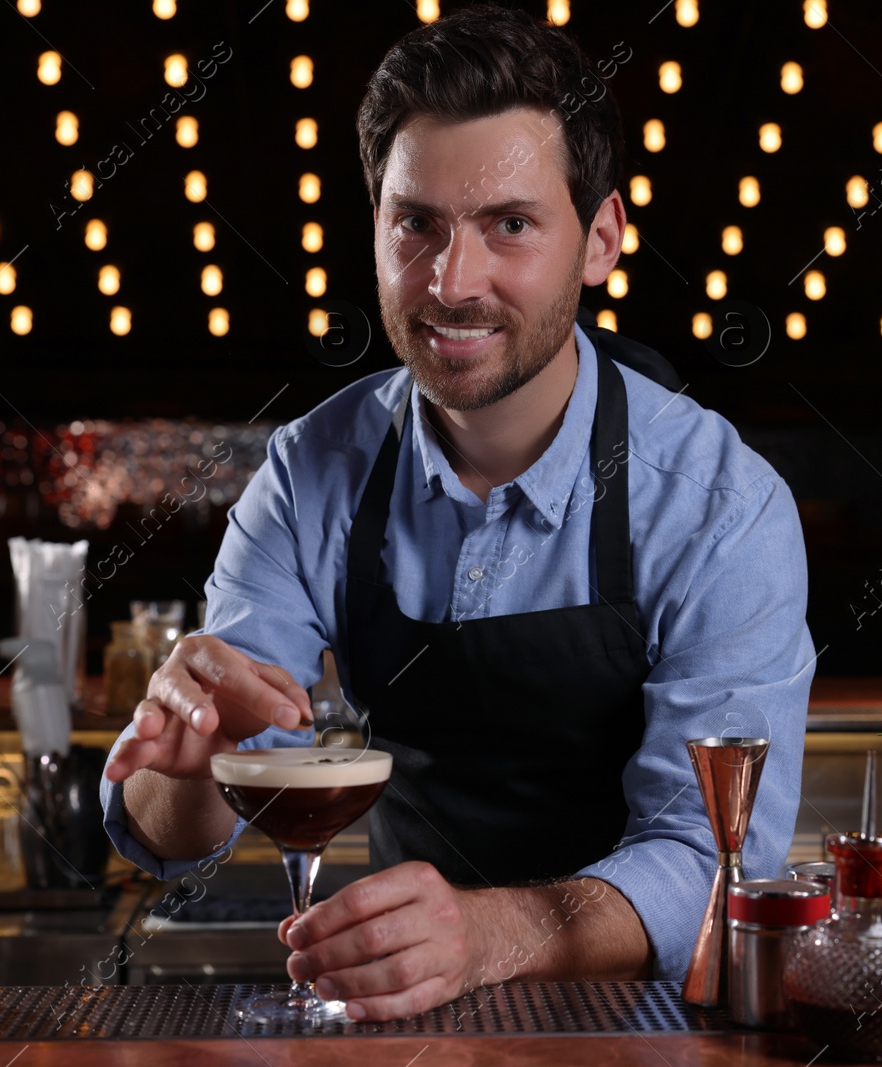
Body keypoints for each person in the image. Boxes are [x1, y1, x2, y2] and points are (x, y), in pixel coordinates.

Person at [101, 3, 814, 1022]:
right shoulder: (312, 472)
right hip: (411, 1020)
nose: (451, 282)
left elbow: (711, 856)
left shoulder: (718, 507)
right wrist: (187, 767)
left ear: (600, 240)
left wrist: (490, 931)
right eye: (416, 224)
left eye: (509, 225)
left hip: (651, 1027)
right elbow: (174, 830)